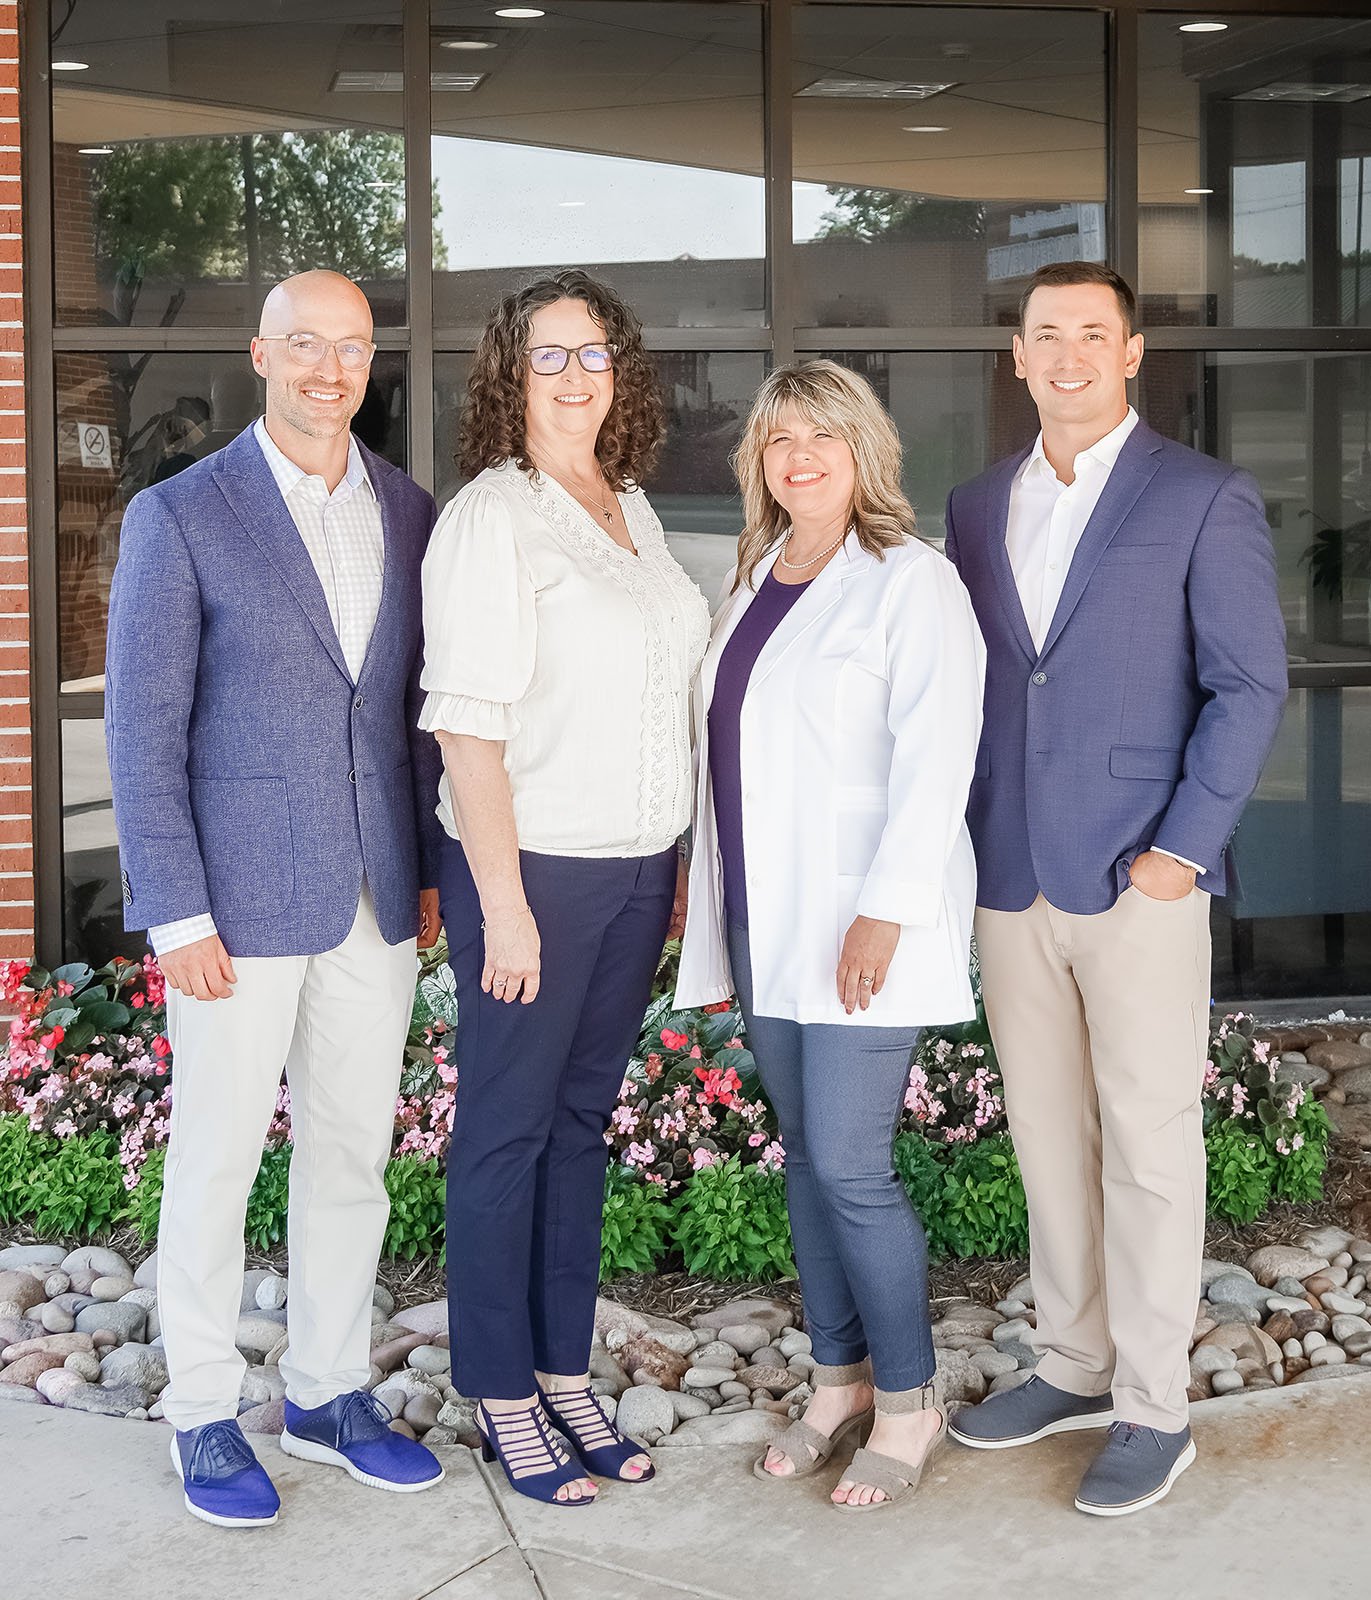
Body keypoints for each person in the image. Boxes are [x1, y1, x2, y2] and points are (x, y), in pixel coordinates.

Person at [943, 262, 1288, 1516]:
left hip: (1142, 876)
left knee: (1147, 1139)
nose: (1070, 353)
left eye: (1094, 332)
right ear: (1018, 356)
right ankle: (1074, 1363)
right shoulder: (976, 505)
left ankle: (1152, 1404)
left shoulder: (1203, 495)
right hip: (1011, 870)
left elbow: (1249, 684)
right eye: (1048, 334)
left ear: (1132, 351)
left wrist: (1180, 852)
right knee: (1047, 1133)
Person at [105, 270, 446, 1528]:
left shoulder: (407, 510)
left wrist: (427, 872)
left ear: (369, 362)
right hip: (236, 906)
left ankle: (326, 1392)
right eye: (305, 344)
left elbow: (411, 713)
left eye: (350, 348)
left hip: (374, 894)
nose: (328, 369)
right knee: (218, 1157)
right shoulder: (180, 513)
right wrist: (176, 911)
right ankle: (201, 1406)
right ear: (261, 354)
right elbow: (143, 728)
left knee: (352, 1154)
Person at [676, 359, 986, 1512]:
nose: (799, 457)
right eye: (779, 437)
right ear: (756, 458)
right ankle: (838, 1380)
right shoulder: (754, 576)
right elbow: (728, 755)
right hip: (763, 915)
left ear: (867, 452)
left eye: (823, 436)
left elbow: (938, 757)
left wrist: (886, 909)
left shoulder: (912, 580)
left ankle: (908, 1401)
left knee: (853, 1164)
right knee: (808, 1157)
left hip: (863, 916)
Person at [420, 269, 709, 1506]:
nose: (576, 374)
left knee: (581, 1125)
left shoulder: (630, 506)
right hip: (532, 873)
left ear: (621, 371)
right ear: (511, 373)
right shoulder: (494, 517)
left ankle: (561, 1367)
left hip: (635, 871)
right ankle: (498, 1387)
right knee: (507, 1128)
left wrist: (675, 863)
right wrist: (506, 908)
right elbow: (467, 728)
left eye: (595, 352)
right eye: (550, 354)